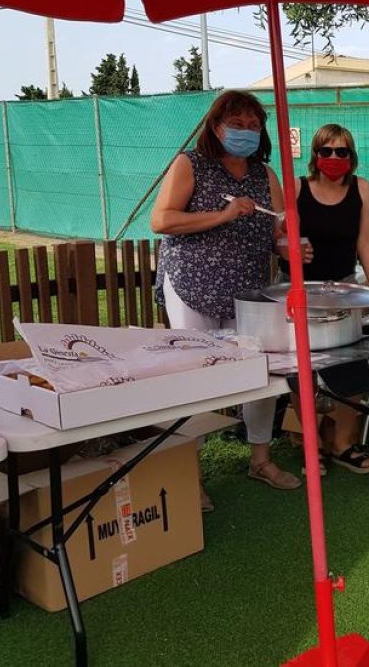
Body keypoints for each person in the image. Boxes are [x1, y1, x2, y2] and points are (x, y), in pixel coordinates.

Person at [151, 90, 299, 508]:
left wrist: (289, 249)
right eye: (237, 124)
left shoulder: (264, 175)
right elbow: (161, 220)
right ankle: (192, 473)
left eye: (254, 126)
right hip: (193, 286)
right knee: (194, 378)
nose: (246, 132)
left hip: (249, 293)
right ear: (216, 127)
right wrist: (224, 214)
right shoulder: (190, 164)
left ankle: (260, 459)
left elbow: (277, 234)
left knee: (260, 374)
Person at [279, 123, 369, 475]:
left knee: (350, 365)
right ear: (315, 156)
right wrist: (289, 250)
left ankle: (343, 442)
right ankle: (312, 444)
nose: (334, 158)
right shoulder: (296, 188)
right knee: (302, 370)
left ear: (351, 157)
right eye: (326, 151)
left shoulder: (362, 189)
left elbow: (365, 241)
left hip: (344, 288)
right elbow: (277, 237)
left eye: (342, 151)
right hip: (301, 291)